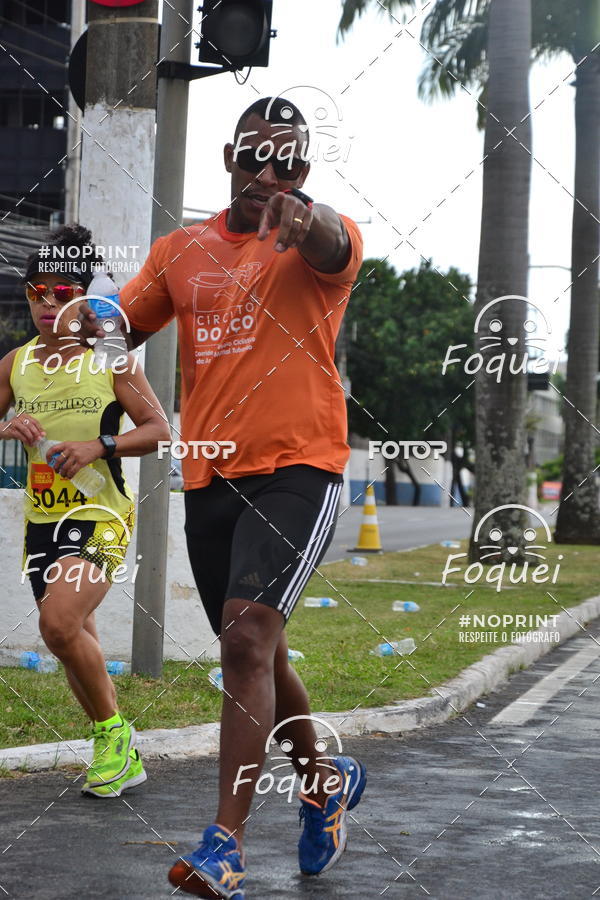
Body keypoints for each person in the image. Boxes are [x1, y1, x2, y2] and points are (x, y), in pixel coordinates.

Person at [81, 96, 366, 897]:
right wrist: (87, 311)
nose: (267, 174)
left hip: (300, 465)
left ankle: (224, 846)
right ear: (228, 157)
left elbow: (335, 237)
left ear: (305, 175)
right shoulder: (181, 251)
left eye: (288, 163)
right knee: (257, 648)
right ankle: (323, 780)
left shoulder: (315, 245)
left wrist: (305, 217)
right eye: (254, 158)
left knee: (245, 638)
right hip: (210, 475)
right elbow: (120, 330)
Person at [0, 225, 170, 798]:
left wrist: (101, 446)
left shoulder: (111, 357)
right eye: (37, 292)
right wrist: (5, 425)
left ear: (82, 295)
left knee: (58, 623)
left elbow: (157, 429)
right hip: (42, 523)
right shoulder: (15, 364)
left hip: (102, 516)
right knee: (73, 640)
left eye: (62, 291)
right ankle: (117, 752)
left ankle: (113, 734)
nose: (48, 304)